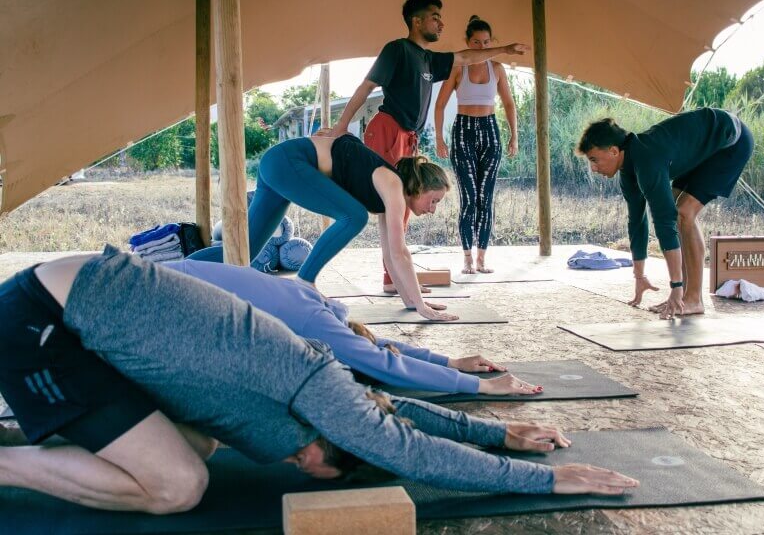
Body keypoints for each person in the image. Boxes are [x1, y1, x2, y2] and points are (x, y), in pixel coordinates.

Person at [0, 249, 639, 512]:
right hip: (44, 321)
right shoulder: (317, 384)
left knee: (195, 445)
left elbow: (394, 415)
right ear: (335, 441)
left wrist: (495, 436)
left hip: (78, 315)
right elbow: (401, 444)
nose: (301, 467)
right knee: (178, 484)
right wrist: (546, 478)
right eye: (318, 467)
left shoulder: (315, 397)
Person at [328, 0, 529, 289]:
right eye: (435, 16)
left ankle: (393, 278)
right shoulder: (397, 50)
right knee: (391, 206)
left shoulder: (429, 59)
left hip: (409, 137)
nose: (441, 22)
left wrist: (506, 49)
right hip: (387, 129)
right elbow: (366, 86)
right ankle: (394, 278)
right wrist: (341, 126)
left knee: (404, 207)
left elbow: (465, 56)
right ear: (417, 21)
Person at [165, 259, 543, 396]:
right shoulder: (317, 320)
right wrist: (482, 385)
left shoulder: (315, 305)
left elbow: (378, 345)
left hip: (167, 285)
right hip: (159, 291)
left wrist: (451, 361)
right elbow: (384, 362)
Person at [188, 133, 458, 321]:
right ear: (419, 187)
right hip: (288, 162)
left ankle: (172, 271)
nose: (433, 209)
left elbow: (390, 255)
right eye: (433, 200)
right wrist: (422, 305)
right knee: (354, 216)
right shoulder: (394, 186)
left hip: (279, 165)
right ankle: (305, 281)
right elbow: (401, 253)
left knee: (244, 251)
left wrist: (410, 300)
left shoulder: (390, 197)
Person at [575, 108, 754, 319]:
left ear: (614, 151)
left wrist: (675, 286)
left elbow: (664, 221)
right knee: (674, 203)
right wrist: (639, 276)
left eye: (594, 159)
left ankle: (693, 299)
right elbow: (637, 222)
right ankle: (685, 296)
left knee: (683, 213)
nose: (593, 168)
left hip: (731, 141)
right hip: (702, 148)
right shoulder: (629, 170)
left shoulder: (647, 159)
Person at [434, 15, 518, 274]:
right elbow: (440, 104)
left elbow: (509, 103)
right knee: (469, 199)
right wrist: (439, 137)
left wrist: (514, 135)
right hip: (463, 132)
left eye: (485, 42)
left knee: (486, 198)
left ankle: (482, 258)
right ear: (467, 42)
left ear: (491, 42)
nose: (481, 47)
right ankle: (467, 258)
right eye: (476, 42)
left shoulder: (498, 68)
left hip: (490, 131)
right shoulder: (458, 68)